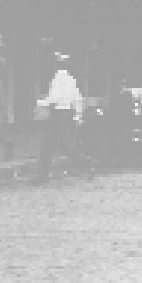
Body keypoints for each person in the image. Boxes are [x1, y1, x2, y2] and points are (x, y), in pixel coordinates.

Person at [35, 52, 95, 184]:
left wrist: (41, 103)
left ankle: (87, 163)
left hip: (57, 114)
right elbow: (77, 99)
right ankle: (87, 163)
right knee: (59, 145)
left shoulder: (57, 78)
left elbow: (55, 98)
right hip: (67, 113)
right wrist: (78, 115)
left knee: (49, 145)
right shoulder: (71, 79)